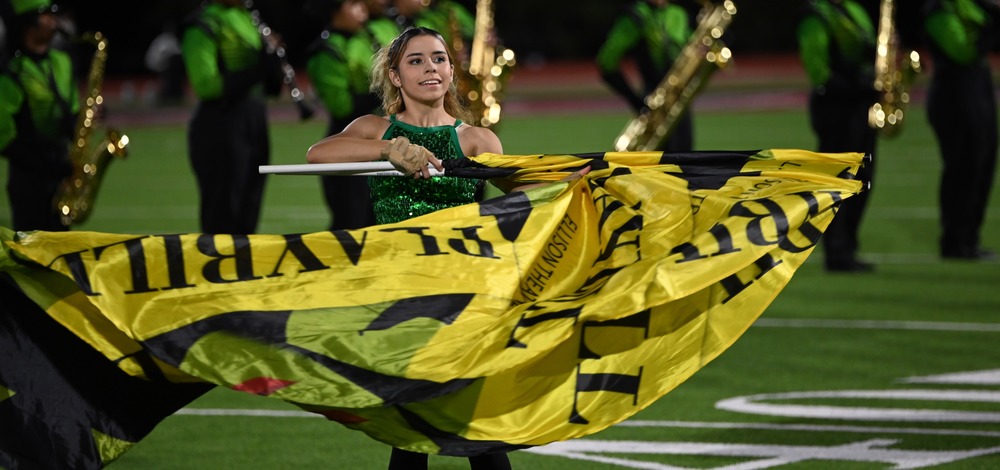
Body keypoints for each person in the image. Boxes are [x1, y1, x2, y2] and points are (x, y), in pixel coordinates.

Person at [305, 27, 510, 469]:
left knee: (478, 428)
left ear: (451, 71)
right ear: (395, 77)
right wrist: (388, 150)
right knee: (414, 425)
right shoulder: (376, 128)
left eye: (438, 59)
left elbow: (521, 193)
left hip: (464, 289)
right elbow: (317, 154)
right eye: (415, 61)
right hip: (403, 290)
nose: (430, 68)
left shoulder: (477, 140)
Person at [180, 0, 284, 234]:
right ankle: (217, 269)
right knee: (222, 217)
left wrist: (272, 67)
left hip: (254, 122)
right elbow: (207, 86)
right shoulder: (203, 23)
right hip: (220, 126)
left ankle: (242, 271)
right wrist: (259, 68)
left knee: (248, 214)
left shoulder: (247, 17)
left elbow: (268, 87)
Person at [797, 0, 878, 272]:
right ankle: (836, 251)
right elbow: (819, 72)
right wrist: (859, 86)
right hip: (835, 108)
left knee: (863, 178)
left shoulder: (855, 9)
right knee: (839, 181)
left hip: (860, 107)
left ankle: (849, 246)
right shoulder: (815, 14)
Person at [923, 0, 998, 260]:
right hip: (954, 97)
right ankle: (954, 241)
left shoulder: (971, 5)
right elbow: (962, 51)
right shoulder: (938, 9)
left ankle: (969, 238)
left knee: (983, 167)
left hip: (979, 91)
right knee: (962, 168)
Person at [305, 0, 384, 230]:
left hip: (377, 143)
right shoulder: (326, 51)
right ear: (335, 11)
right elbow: (342, 107)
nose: (362, 10)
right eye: (353, 5)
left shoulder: (369, 37)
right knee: (351, 224)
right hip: (348, 147)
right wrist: (386, 91)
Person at [0, 0, 76, 232]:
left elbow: (72, 109)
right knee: (30, 256)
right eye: (45, 15)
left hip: (62, 172)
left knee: (64, 252)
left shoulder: (62, 61)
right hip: (28, 179)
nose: (54, 21)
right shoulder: (12, 73)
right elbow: (4, 137)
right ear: (27, 23)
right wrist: (43, 164)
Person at [596, 0, 694, 152]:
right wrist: (634, 100)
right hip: (654, 101)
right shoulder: (636, 16)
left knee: (686, 160)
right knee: (661, 162)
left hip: (680, 99)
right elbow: (606, 61)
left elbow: (688, 46)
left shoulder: (678, 13)